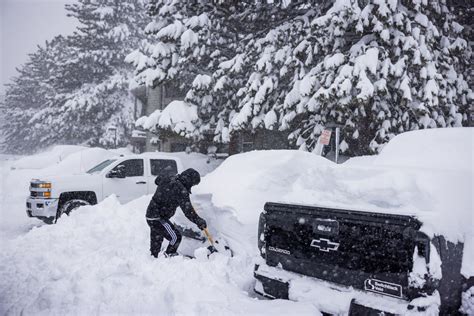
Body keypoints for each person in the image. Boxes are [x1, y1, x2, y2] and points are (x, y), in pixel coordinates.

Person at [146, 168, 207, 258]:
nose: (192, 186)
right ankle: (170, 254)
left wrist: (166, 179)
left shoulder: (169, 178)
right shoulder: (181, 191)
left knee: (157, 238)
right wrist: (199, 221)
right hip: (158, 218)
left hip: (151, 215)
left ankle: (153, 258)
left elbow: (157, 180)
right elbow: (188, 211)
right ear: (189, 181)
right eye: (193, 184)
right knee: (176, 237)